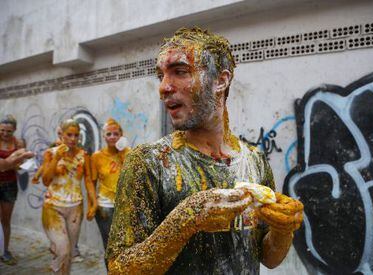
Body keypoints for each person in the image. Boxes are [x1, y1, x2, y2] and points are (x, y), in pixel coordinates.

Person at [106, 27, 304, 274]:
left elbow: (269, 258)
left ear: (221, 80)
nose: (164, 87)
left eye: (180, 72)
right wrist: (187, 219)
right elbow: (119, 268)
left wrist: (283, 229)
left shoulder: (255, 161)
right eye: (161, 76)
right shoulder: (149, 163)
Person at [41, 119, 97, 274]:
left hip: (75, 208)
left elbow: (88, 181)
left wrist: (94, 203)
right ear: (62, 135)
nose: (73, 139)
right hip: (53, 206)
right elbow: (45, 180)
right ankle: (56, 269)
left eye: (76, 135)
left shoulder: (83, 155)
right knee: (63, 250)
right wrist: (56, 159)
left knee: (69, 253)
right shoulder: (50, 153)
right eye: (69, 135)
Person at [90, 118, 130, 268]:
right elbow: (91, 183)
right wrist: (93, 204)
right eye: (109, 134)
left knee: (126, 245)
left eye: (116, 134)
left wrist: (123, 153)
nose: (112, 137)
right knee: (110, 247)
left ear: (121, 136)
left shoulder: (128, 153)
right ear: (104, 137)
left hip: (125, 206)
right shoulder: (97, 157)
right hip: (105, 207)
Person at [0, 115, 26, 265]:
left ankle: (5, 250)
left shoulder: (18, 143)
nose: (4, 134)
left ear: (14, 130)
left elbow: (22, 165)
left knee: (6, 220)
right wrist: (10, 164)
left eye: (8, 131)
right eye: (2, 130)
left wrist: (10, 165)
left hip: (10, 184)